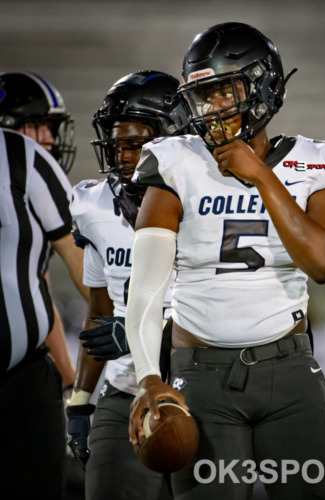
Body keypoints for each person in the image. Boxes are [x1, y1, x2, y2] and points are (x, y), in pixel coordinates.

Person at [126, 22, 325, 500]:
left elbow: (322, 263)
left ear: (265, 86)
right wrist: (150, 375)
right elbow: (147, 288)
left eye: (224, 90)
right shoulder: (174, 161)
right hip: (201, 374)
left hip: (290, 371)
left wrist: (260, 176)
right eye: (203, 95)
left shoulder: (316, 163)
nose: (213, 107)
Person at [66, 70, 187, 500]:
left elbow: (221, 304)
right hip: (125, 390)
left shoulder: (205, 203)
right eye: (116, 144)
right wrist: (81, 400)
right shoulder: (92, 206)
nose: (122, 156)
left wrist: (153, 338)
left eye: (135, 144)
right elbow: (100, 315)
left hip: (197, 387)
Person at [0, 71, 88, 499]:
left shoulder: (30, 166)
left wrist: (73, 380)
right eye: (41, 127)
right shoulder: (20, 159)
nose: (49, 140)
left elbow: (37, 292)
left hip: (25, 376)